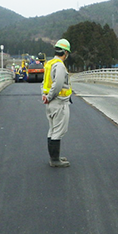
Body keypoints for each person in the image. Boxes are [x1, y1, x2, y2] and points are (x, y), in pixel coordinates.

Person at [41, 38, 72, 168]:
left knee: (52, 129)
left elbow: (44, 83)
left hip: (51, 103)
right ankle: (55, 160)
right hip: (58, 102)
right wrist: (50, 96)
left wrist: (45, 96)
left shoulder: (49, 63)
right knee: (58, 130)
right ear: (65, 53)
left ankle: (54, 157)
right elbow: (58, 84)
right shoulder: (59, 65)